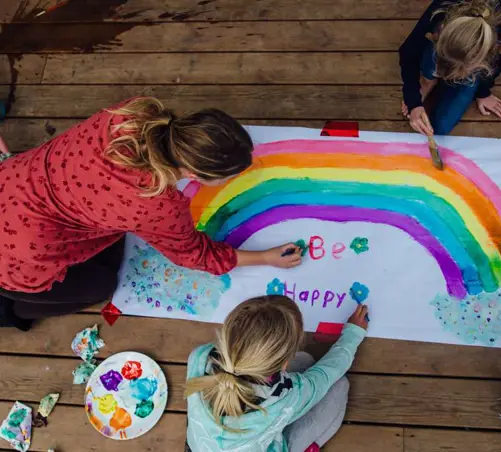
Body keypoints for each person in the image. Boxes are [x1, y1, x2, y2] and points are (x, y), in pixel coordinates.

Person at [0, 97, 302, 330]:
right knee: (103, 285)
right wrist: (265, 258)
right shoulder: (158, 203)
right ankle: (11, 309)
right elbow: (197, 256)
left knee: (114, 244)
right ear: (195, 173)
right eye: (227, 178)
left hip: (11, 183)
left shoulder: (134, 113)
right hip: (17, 260)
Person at [185, 295, 369, 452]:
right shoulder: (284, 397)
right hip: (270, 438)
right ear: (285, 363)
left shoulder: (199, 356)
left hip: (200, 447)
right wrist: (353, 334)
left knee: (305, 361)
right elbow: (327, 373)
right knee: (340, 385)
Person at [399, 0, 501, 136]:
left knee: (441, 128)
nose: (450, 77)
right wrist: (413, 101)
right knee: (431, 58)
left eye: (462, 72)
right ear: (441, 30)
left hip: (478, 58)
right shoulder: (439, 13)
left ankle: (459, 74)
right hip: (442, 44)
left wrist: (483, 91)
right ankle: (428, 80)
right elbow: (408, 52)